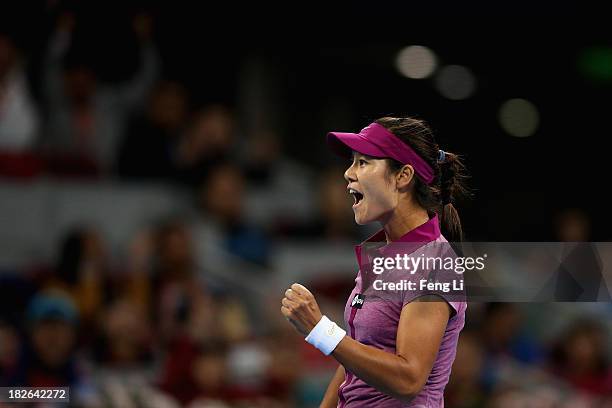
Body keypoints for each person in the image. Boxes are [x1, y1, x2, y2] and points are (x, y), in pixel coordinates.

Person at [280, 117, 468, 407]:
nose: (348, 173)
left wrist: (320, 330)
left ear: (403, 176)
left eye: (363, 162)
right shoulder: (381, 256)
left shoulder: (435, 263)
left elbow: (408, 379)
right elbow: (355, 358)